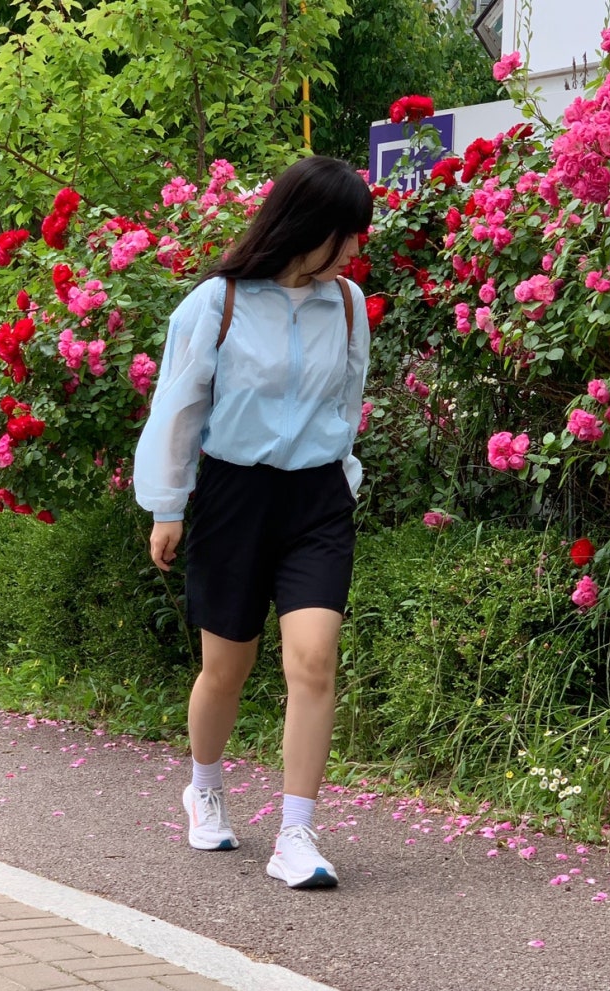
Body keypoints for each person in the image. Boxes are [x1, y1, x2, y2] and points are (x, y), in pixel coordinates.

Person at [133, 155, 373, 888]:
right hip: (235, 497)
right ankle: (204, 786)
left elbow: (347, 401)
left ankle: (295, 833)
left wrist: (343, 481)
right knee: (225, 670)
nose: (355, 249)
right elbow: (178, 407)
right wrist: (168, 505)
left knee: (314, 662)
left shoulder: (349, 305)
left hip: (318, 500)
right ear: (308, 228)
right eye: (347, 234)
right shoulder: (219, 301)